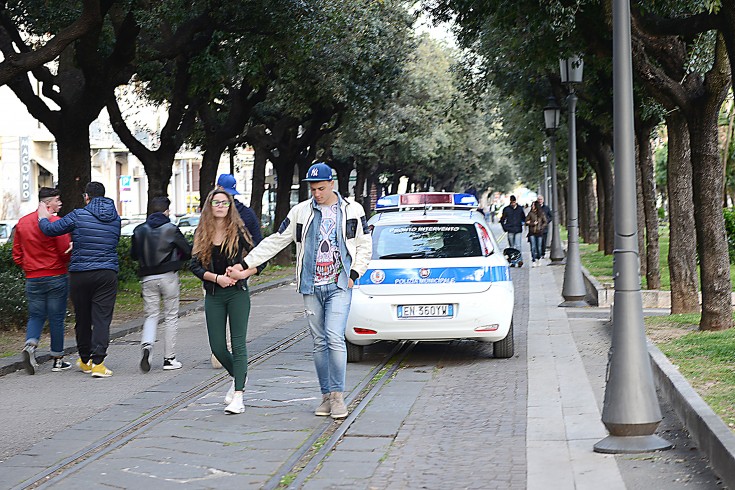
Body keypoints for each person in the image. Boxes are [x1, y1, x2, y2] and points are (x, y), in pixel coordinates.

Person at [234, 162, 372, 420]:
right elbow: (277, 240)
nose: (317, 193)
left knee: (334, 336)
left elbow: (364, 243)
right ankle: (326, 395)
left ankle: (339, 396)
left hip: (340, 284)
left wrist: (355, 273)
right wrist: (246, 263)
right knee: (319, 342)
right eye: (313, 189)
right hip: (310, 285)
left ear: (332, 184)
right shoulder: (300, 212)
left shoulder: (352, 210)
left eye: (321, 188)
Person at [38, 181, 121, 378]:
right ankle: (99, 364)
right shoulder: (115, 218)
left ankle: (85, 360)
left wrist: (43, 218)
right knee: (102, 318)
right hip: (107, 273)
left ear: (86, 197)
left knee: (83, 317)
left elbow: (51, 230)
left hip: (80, 273)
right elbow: (111, 241)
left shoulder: (78, 214)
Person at [190, 189, 260, 414]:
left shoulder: (239, 231)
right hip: (214, 294)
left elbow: (259, 261)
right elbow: (194, 266)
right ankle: (240, 377)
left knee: (238, 344)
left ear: (230, 207)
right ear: (209, 206)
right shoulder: (202, 231)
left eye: (224, 202)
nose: (220, 206)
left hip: (238, 293)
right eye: (215, 202)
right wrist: (216, 278)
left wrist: (242, 273)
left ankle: (238, 395)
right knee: (218, 348)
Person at [13, 187, 72, 374]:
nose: (60, 203)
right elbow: (64, 251)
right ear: (48, 204)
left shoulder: (22, 223)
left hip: (33, 277)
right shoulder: (56, 222)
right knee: (56, 318)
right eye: (57, 200)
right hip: (56, 275)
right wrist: (63, 263)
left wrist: (28, 266)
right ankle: (57, 359)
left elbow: (17, 254)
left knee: (36, 315)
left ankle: (31, 344)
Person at [131, 196, 192, 373]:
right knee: (171, 316)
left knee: (151, 315)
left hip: (147, 278)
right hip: (168, 276)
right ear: (167, 211)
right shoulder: (171, 229)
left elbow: (134, 255)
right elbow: (187, 251)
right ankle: (169, 358)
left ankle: (147, 347)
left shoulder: (139, 230)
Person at [210, 173, 264, 370]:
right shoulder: (212, 213)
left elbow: (257, 245)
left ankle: (227, 355)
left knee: (232, 315)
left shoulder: (245, 214)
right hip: (218, 272)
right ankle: (222, 352)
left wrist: (245, 267)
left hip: (237, 271)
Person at [500, 195, 526, 266]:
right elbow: (502, 219)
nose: (513, 204)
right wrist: (505, 228)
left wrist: (523, 223)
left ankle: (519, 260)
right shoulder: (506, 209)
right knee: (512, 247)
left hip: (518, 229)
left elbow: (523, 218)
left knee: (518, 246)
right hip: (510, 229)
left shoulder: (520, 209)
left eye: (514, 202)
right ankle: (513, 261)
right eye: (512, 202)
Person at [526, 201, 547, 267]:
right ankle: (534, 260)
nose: (532, 206)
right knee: (533, 247)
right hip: (532, 232)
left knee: (539, 247)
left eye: (533, 205)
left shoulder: (541, 213)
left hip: (539, 232)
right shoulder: (530, 213)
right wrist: (532, 223)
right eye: (532, 205)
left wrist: (541, 227)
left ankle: (539, 258)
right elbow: (526, 221)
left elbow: (545, 221)